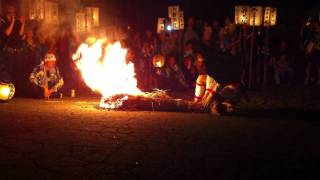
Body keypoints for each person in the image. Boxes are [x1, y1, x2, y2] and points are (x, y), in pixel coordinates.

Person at [0, 3, 25, 90]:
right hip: (8, 49)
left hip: (17, 49)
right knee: (8, 70)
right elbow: (7, 33)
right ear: (7, 11)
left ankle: (17, 90)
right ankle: (7, 89)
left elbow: (20, 34)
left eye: (13, 11)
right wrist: (13, 21)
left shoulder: (17, 21)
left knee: (17, 70)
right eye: (10, 11)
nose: (12, 12)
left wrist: (23, 24)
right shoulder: (3, 20)